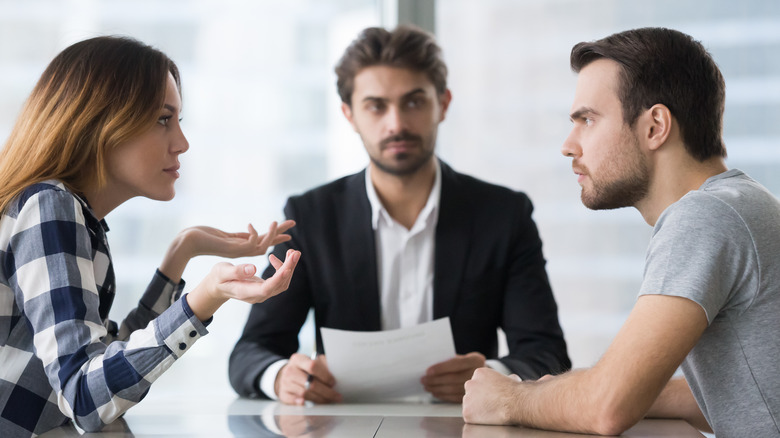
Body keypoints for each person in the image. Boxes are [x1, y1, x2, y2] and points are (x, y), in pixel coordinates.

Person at [229, 25, 570, 406]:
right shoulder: (311, 217)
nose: (396, 124)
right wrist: (281, 378)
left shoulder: (504, 216)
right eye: (376, 106)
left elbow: (547, 353)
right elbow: (251, 351)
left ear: (443, 104)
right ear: (349, 115)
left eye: (413, 102)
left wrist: (494, 376)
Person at [462, 27, 780, 436]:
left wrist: (508, 398)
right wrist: (565, 390)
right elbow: (740, 394)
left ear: (655, 127)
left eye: (588, 120)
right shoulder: (742, 203)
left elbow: (607, 408)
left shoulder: (705, 217)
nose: (568, 145)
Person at [0, 36, 300, 437]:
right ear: (100, 122)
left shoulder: (66, 213)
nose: (182, 142)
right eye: (163, 119)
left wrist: (182, 252)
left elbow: (100, 366)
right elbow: (85, 398)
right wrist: (203, 299)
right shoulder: (49, 207)